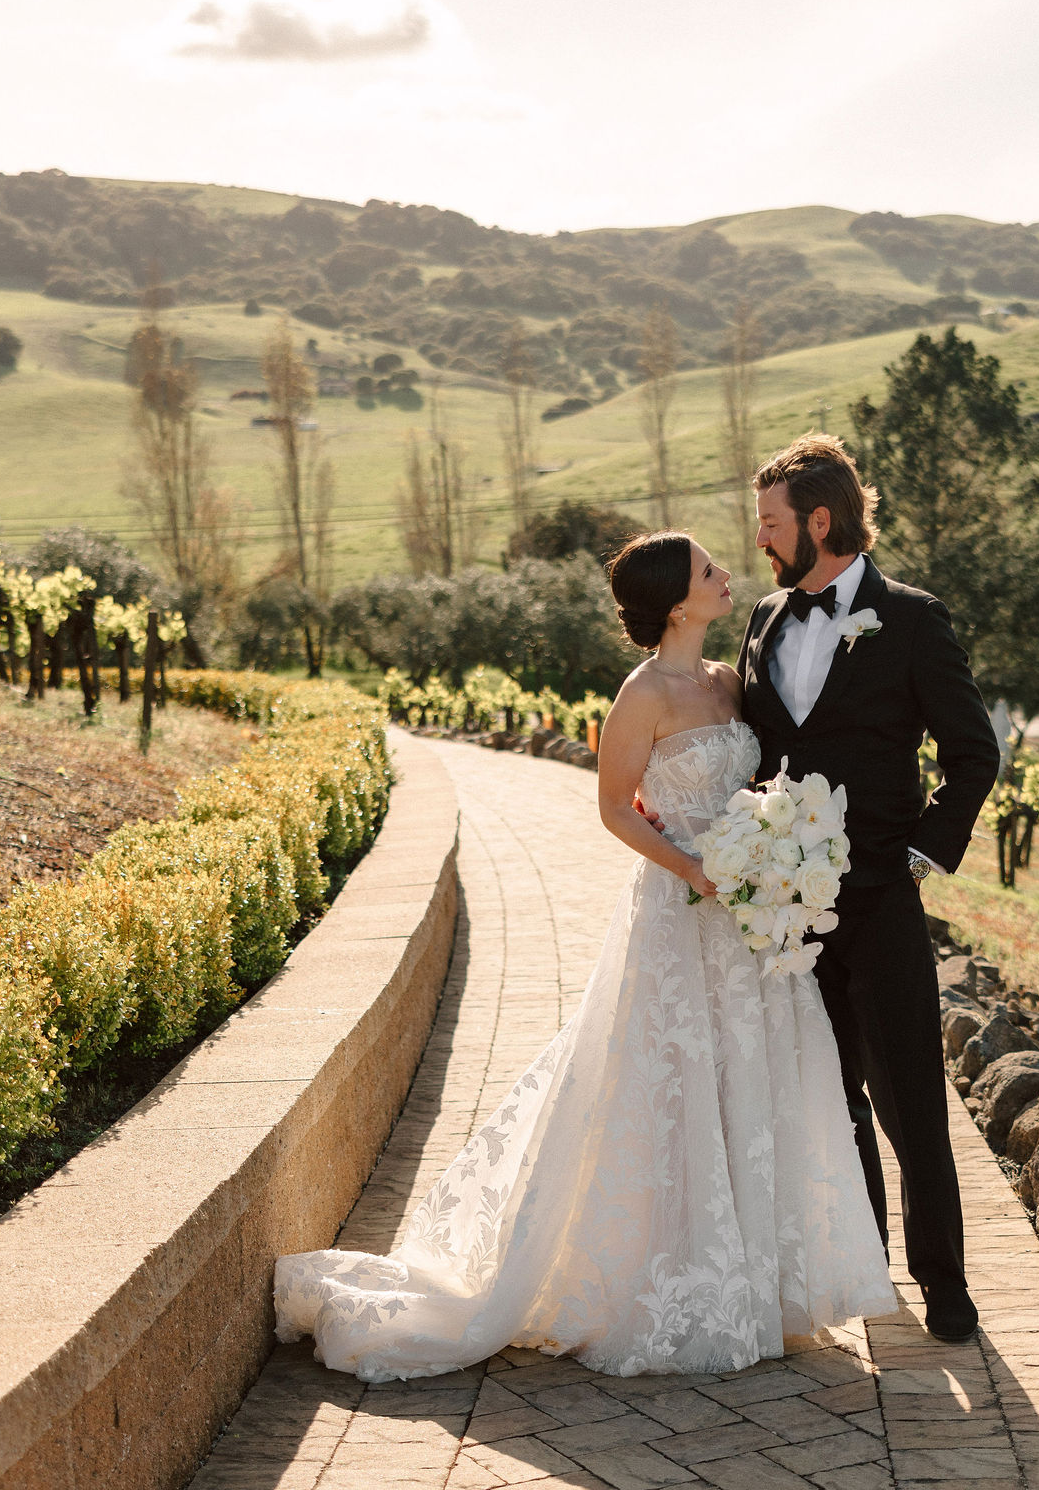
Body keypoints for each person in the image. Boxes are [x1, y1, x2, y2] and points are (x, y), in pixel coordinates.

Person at [272, 531, 895, 1382]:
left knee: (751, 1079)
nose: (725, 577)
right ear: (677, 603)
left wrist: (773, 849)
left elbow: (754, 788)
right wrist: (697, 870)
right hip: (683, 910)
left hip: (750, 921)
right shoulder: (640, 696)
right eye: (708, 571)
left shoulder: (727, 680)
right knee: (670, 1084)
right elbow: (616, 810)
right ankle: (672, 1280)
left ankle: (766, 1290)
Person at [737, 433, 1001, 1344]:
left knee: (910, 1101)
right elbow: (765, 752)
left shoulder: (914, 620)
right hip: (788, 911)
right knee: (831, 1096)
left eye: (771, 525)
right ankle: (866, 1269)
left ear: (821, 521)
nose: (761, 543)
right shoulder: (766, 618)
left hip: (882, 897)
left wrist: (921, 854)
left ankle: (948, 1286)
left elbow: (974, 754)